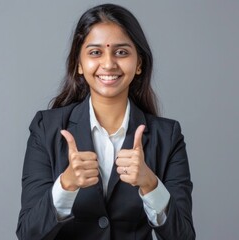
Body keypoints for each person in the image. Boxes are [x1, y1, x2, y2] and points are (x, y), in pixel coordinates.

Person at [16, 3, 195, 240]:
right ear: (78, 64)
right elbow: (28, 234)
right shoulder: (46, 129)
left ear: (139, 63)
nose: (109, 64)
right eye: (95, 52)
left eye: (121, 52)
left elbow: (183, 236)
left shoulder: (168, 136)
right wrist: (66, 184)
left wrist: (150, 184)